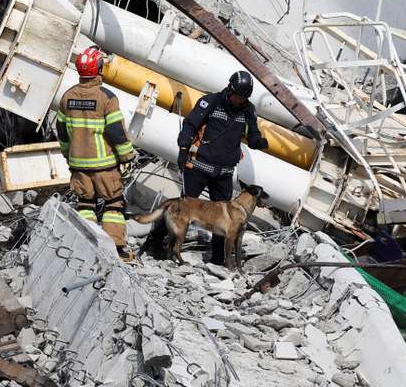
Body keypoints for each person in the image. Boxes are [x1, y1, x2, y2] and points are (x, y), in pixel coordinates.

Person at [148, 70, 269, 263]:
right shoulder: (211, 102)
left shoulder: (248, 110)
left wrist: (257, 141)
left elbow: (252, 132)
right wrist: (183, 147)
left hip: (224, 173)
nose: (240, 101)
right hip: (198, 167)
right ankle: (154, 244)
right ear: (230, 90)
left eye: (244, 98)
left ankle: (219, 258)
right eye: (238, 96)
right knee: (181, 208)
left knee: (224, 218)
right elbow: (190, 124)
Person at [56, 46, 138, 259]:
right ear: (99, 69)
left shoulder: (67, 97)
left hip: (78, 164)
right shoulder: (106, 97)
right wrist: (127, 156)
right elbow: (116, 132)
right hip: (104, 165)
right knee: (113, 205)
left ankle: (87, 247)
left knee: (85, 205)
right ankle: (115, 250)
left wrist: (68, 156)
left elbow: (62, 133)